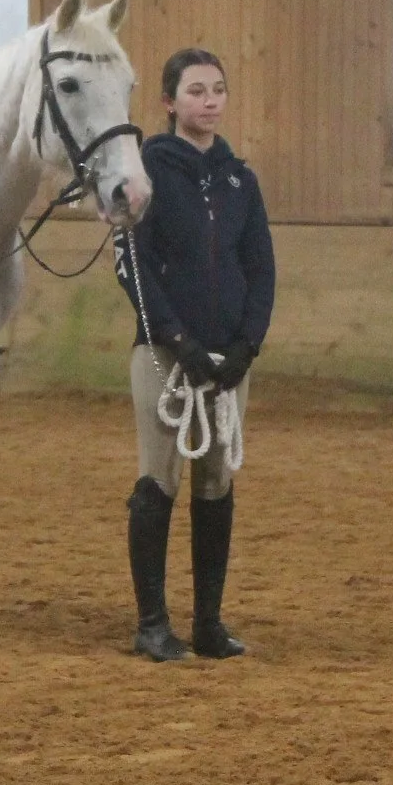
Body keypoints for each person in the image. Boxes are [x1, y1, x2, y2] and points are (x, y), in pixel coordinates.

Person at [112, 47, 276, 662]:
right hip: (164, 353)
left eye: (218, 90)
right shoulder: (146, 173)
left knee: (217, 480)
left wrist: (246, 345)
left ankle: (208, 620)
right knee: (161, 477)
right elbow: (133, 266)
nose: (209, 101)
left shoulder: (240, 180)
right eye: (196, 91)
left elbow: (260, 267)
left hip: (228, 358)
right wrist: (178, 338)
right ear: (169, 103)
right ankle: (152, 622)